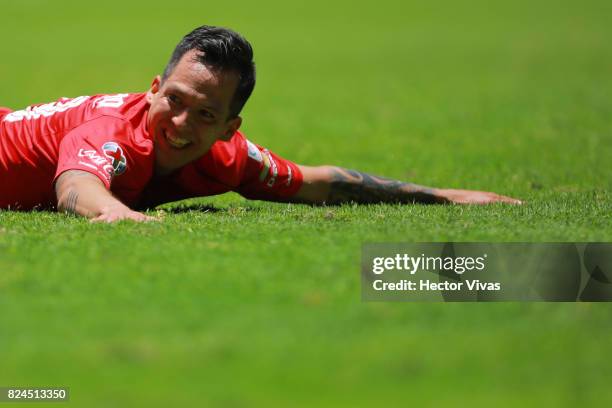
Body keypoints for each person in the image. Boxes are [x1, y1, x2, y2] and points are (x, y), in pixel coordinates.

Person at [0, 25, 520, 223]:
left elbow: (319, 182)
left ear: (230, 127)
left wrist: (446, 197)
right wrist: (116, 216)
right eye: (173, 100)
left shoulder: (229, 158)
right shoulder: (114, 130)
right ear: (153, 88)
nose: (179, 123)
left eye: (205, 114)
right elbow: (76, 186)